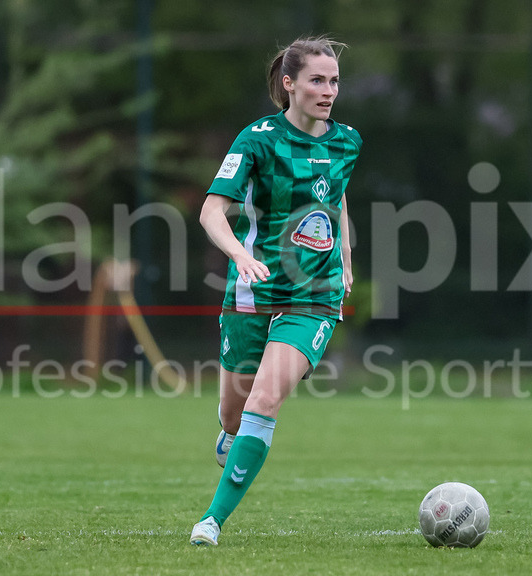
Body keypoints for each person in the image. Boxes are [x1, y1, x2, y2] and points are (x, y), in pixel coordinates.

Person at [190, 36, 362, 546]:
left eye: (333, 81)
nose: (327, 90)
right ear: (289, 84)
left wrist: (347, 260)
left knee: (265, 401)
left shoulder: (347, 140)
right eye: (316, 80)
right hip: (251, 292)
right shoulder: (257, 139)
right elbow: (211, 211)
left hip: (315, 296)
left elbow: (338, 197)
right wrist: (241, 256)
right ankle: (231, 433)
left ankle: (211, 522)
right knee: (234, 413)